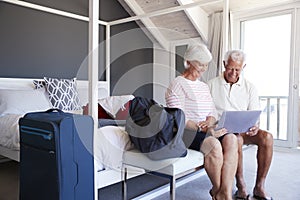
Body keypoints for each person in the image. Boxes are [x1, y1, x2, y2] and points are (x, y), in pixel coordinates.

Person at [165, 43, 238, 200]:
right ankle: (220, 193)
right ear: (189, 62)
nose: (203, 68)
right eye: (200, 64)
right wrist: (202, 129)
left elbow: (212, 112)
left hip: (207, 129)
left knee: (232, 139)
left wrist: (210, 123)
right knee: (213, 145)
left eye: (206, 64)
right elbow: (180, 118)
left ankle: (224, 191)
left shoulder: (204, 86)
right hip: (187, 133)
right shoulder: (176, 84)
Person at [207, 50, 274, 200]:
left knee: (267, 138)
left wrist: (255, 126)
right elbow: (207, 113)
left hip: (245, 129)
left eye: (237, 69)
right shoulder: (211, 84)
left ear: (243, 67)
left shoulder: (250, 87)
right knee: (236, 139)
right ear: (224, 64)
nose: (233, 73)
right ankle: (240, 184)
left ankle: (259, 186)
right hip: (224, 129)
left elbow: (254, 112)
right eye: (230, 68)